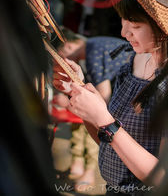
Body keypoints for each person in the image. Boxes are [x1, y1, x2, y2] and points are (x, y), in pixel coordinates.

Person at [52, 0, 168, 195]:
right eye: (123, 19)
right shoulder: (132, 59)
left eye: (134, 24)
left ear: (163, 25)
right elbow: (109, 142)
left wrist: (106, 121)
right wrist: (81, 98)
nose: (123, 32)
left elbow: (164, 175)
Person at [51, 27, 132, 192]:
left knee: (94, 123)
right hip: (124, 99)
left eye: (62, 55)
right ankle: (79, 163)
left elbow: (103, 101)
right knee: (83, 117)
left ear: (67, 46)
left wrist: (68, 103)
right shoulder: (95, 45)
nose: (64, 60)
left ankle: (87, 168)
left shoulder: (93, 51)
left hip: (124, 106)